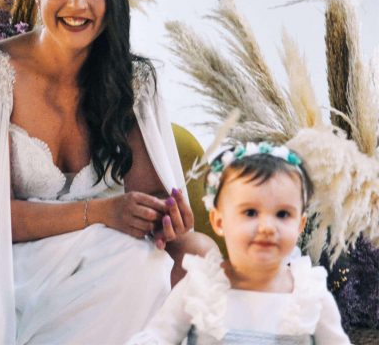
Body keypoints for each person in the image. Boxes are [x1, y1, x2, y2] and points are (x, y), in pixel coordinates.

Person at [0, 0, 214, 345]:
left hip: (108, 253)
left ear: (114, 0)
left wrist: (166, 218)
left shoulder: (132, 82)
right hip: (12, 262)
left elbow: (151, 201)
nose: (77, 4)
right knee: (140, 267)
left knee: (196, 255)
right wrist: (100, 213)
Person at [128, 142, 350, 344]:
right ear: (219, 221)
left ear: (300, 224)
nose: (267, 227)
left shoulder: (309, 295)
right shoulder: (201, 287)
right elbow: (156, 338)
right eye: (250, 212)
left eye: (282, 214)